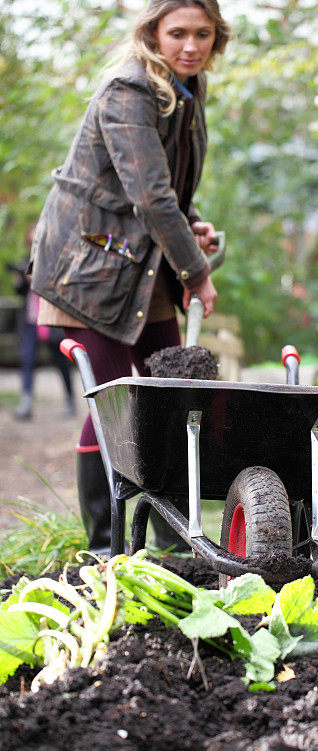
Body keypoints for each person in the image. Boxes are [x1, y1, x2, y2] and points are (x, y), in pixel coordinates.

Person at [30, 0, 230, 555]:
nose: (190, 45)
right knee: (116, 404)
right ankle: (105, 547)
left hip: (141, 273)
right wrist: (196, 271)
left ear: (217, 40)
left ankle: (175, 543)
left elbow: (159, 187)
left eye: (202, 34)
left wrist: (192, 226)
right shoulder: (130, 90)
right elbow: (147, 195)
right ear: (153, 34)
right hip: (90, 272)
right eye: (178, 34)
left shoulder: (186, 90)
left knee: (167, 394)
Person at [11, 224, 76, 420]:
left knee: (60, 360)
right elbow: (19, 291)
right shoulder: (25, 262)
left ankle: (70, 399)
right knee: (27, 358)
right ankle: (26, 401)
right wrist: (23, 279)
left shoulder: (54, 261)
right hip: (31, 320)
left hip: (50, 321)